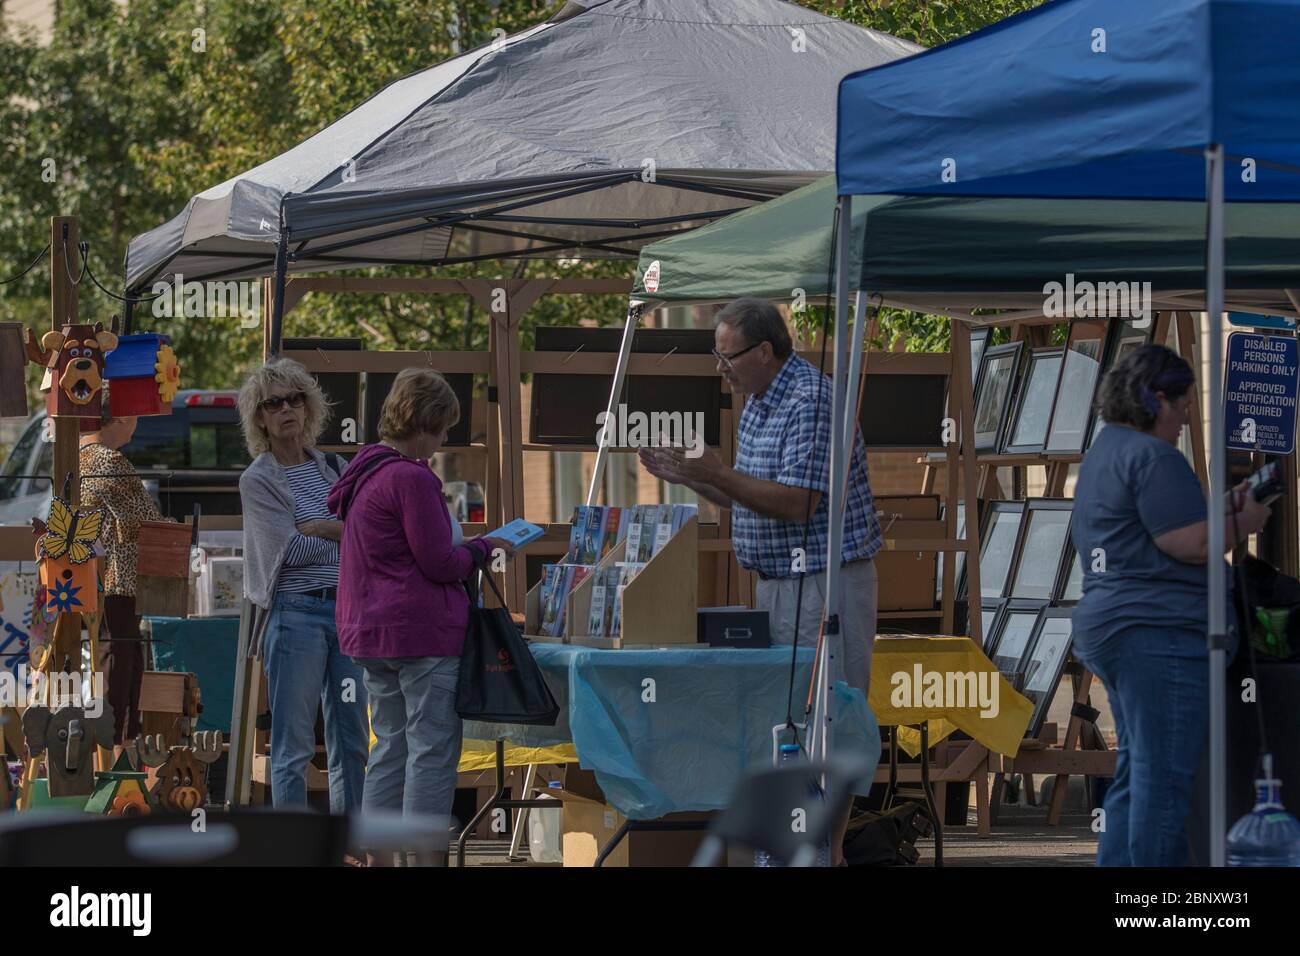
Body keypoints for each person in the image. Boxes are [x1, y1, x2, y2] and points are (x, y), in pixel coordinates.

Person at [639, 296, 882, 865]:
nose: (719, 369)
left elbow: (797, 504)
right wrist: (692, 478)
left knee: (829, 718)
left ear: (765, 351)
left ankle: (826, 851)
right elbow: (747, 499)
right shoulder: (758, 401)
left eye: (727, 358)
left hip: (824, 582)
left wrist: (718, 471)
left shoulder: (811, 400)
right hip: (776, 582)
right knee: (782, 719)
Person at [1071, 344, 1270, 866]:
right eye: (1182, 407)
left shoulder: (1108, 449)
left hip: (1118, 626)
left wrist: (1223, 508)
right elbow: (1191, 544)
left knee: (1137, 775)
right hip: (1156, 632)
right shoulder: (1152, 455)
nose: (1184, 419)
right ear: (1157, 400)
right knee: (1163, 784)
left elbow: (1159, 524)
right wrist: (1243, 524)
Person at [328, 368, 513, 866]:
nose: (442, 440)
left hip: (369, 634)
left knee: (389, 748)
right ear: (424, 423)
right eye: (442, 429)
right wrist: (483, 549)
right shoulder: (412, 479)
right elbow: (439, 561)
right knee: (431, 750)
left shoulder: (363, 473)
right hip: (422, 633)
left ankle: (382, 859)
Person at [237, 358, 368, 813]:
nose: (286, 409)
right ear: (260, 417)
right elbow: (286, 552)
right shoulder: (258, 479)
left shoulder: (334, 466)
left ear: (309, 407)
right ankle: (292, 849)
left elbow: (366, 533)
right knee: (291, 746)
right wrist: (339, 530)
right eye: (274, 403)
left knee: (352, 740)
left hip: (347, 614)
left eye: (295, 399)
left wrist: (319, 527)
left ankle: (351, 843)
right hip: (295, 616)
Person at [79, 411, 167, 746]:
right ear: (119, 418)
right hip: (118, 575)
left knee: (117, 652)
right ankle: (116, 745)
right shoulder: (108, 460)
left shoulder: (81, 455)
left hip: (93, 575)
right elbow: (143, 517)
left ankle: (115, 741)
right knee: (121, 656)